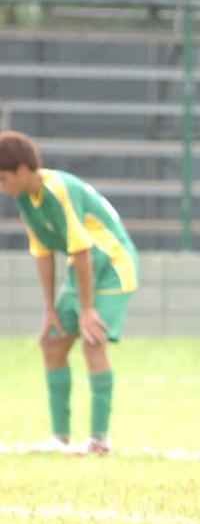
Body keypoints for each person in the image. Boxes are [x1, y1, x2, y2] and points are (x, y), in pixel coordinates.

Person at [0, 131, 139, 456]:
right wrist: (50, 309)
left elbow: (82, 252)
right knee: (52, 341)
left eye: (3, 179)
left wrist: (87, 310)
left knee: (93, 341)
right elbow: (44, 253)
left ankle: (99, 441)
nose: (1, 187)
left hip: (113, 265)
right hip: (84, 271)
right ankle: (59, 438)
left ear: (22, 170)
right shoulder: (24, 200)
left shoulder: (58, 190)